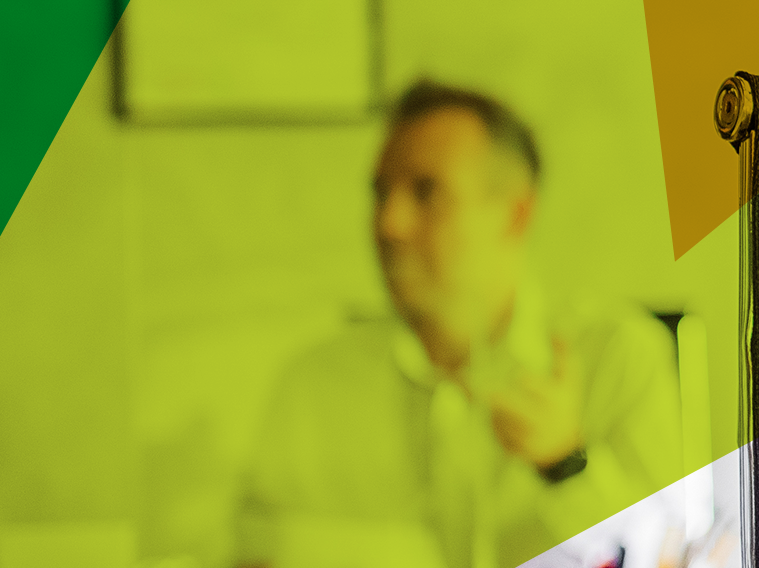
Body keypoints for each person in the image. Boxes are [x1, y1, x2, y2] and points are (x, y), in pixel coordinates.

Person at [236, 81, 687, 568]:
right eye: (380, 193)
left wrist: (566, 464)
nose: (389, 223)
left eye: (426, 191)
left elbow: (674, 556)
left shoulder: (619, 357)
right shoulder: (311, 388)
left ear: (515, 214)